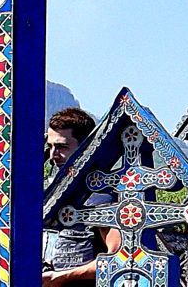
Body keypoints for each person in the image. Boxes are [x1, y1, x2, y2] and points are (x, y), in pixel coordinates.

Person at [43, 108, 121, 287]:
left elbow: (116, 258)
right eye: (51, 147)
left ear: (85, 147)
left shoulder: (101, 196)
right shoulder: (44, 195)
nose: (54, 155)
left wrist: (61, 277)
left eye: (62, 147)